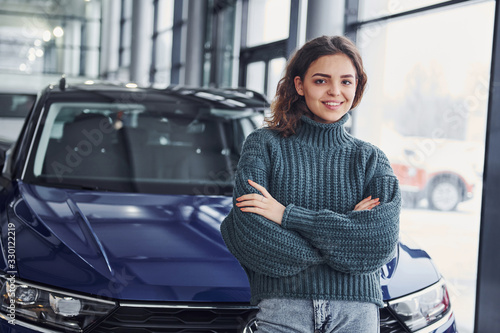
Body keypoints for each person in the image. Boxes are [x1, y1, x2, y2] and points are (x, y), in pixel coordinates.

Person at [220, 35, 401, 333]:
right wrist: (344, 240)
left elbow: (378, 244)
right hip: (283, 309)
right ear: (299, 85)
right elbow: (251, 235)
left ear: (357, 87)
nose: (335, 91)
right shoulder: (264, 145)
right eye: (321, 81)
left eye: (346, 81)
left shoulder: (370, 158)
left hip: (356, 314)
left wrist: (286, 216)